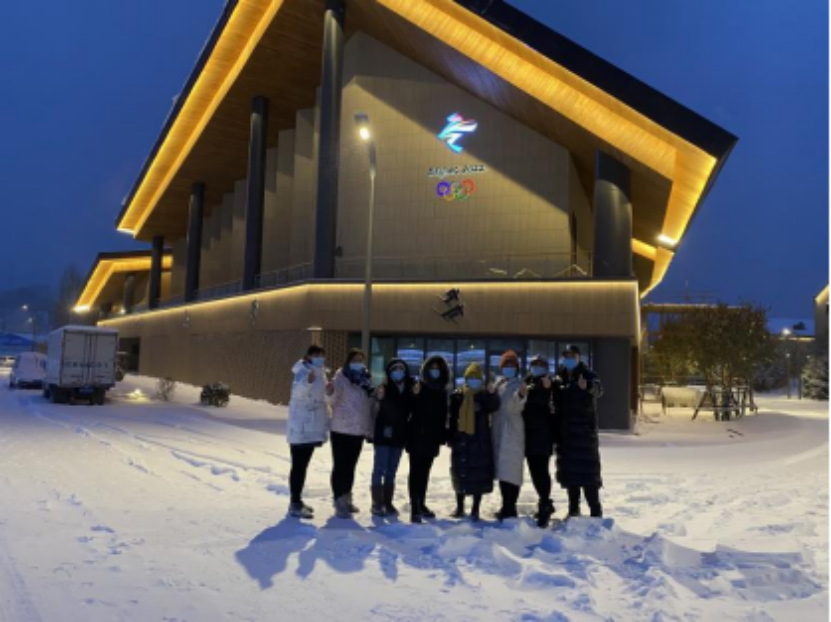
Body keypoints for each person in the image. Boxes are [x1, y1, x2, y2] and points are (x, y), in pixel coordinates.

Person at [553, 345, 604, 518]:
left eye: (572, 356)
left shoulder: (587, 374)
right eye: (566, 356)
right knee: (571, 476)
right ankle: (573, 510)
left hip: (584, 435)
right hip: (566, 436)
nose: (569, 359)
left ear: (578, 357)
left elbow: (598, 389)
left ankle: (595, 511)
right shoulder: (559, 378)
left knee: (588, 475)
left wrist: (587, 386)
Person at [326, 348, 375, 518]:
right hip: (341, 429)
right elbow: (331, 400)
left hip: (358, 430)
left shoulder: (366, 379)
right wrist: (329, 391)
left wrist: (368, 428)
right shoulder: (341, 377)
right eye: (355, 360)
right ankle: (338, 499)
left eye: (360, 360)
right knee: (340, 465)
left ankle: (347, 497)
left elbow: (369, 404)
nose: (358, 363)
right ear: (348, 361)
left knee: (351, 466)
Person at [448, 362, 500, 521]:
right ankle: (460, 506)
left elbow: (494, 406)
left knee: (478, 474)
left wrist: (492, 394)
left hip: (480, 442)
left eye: (476, 378)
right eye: (471, 377)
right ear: (465, 379)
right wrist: (451, 437)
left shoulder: (484, 396)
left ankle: (475, 508)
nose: (473, 380)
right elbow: (452, 419)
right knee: (460, 473)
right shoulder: (458, 396)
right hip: (461, 441)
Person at [286, 345, 330, 519]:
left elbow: (322, 397)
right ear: (308, 356)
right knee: (298, 466)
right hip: (301, 426)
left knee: (303, 465)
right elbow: (297, 393)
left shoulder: (321, 372)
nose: (319, 358)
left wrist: (329, 391)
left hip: (312, 426)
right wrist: (307, 382)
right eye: (316, 355)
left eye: (321, 355)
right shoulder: (302, 371)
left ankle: (297, 501)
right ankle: (295, 503)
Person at [406, 355, 451, 523]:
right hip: (416, 435)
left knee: (425, 471)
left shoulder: (442, 390)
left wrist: (443, 435)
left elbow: (443, 414)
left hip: (432, 437)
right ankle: (414, 506)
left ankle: (421, 503)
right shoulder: (419, 387)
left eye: (438, 368)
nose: (435, 371)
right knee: (415, 471)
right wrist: (413, 394)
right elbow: (408, 408)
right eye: (432, 368)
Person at [370, 359, 413, 517]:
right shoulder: (383, 388)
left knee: (392, 470)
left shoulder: (409, 389)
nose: (398, 371)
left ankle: (387, 502)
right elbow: (374, 406)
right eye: (395, 369)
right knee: (380, 468)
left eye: (401, 368)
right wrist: (377, 397)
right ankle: (377, 503)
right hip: (383, 434)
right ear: (389, 372)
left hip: (399, 435)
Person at [491, 350, 527, 521]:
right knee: (502, 471)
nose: (509, 368)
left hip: (513, 431)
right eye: (506, 365)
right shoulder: (498, 385)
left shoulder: (520, 385)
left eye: (512, 365)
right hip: (499, 431)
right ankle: (505, 505)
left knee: (512, 471)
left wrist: (520, 396)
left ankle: (510, 506)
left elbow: (515, 405)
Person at [523, 355, 557, 527]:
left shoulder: (549, 383)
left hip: (543, 434)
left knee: (541, 470)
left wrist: (547, 389)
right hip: (528, 434)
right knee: (534, 471)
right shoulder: (526, 382)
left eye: (540, 365)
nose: (537, 368)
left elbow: (547, 405)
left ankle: (544, 504)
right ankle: (545, 502)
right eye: (534, 365)